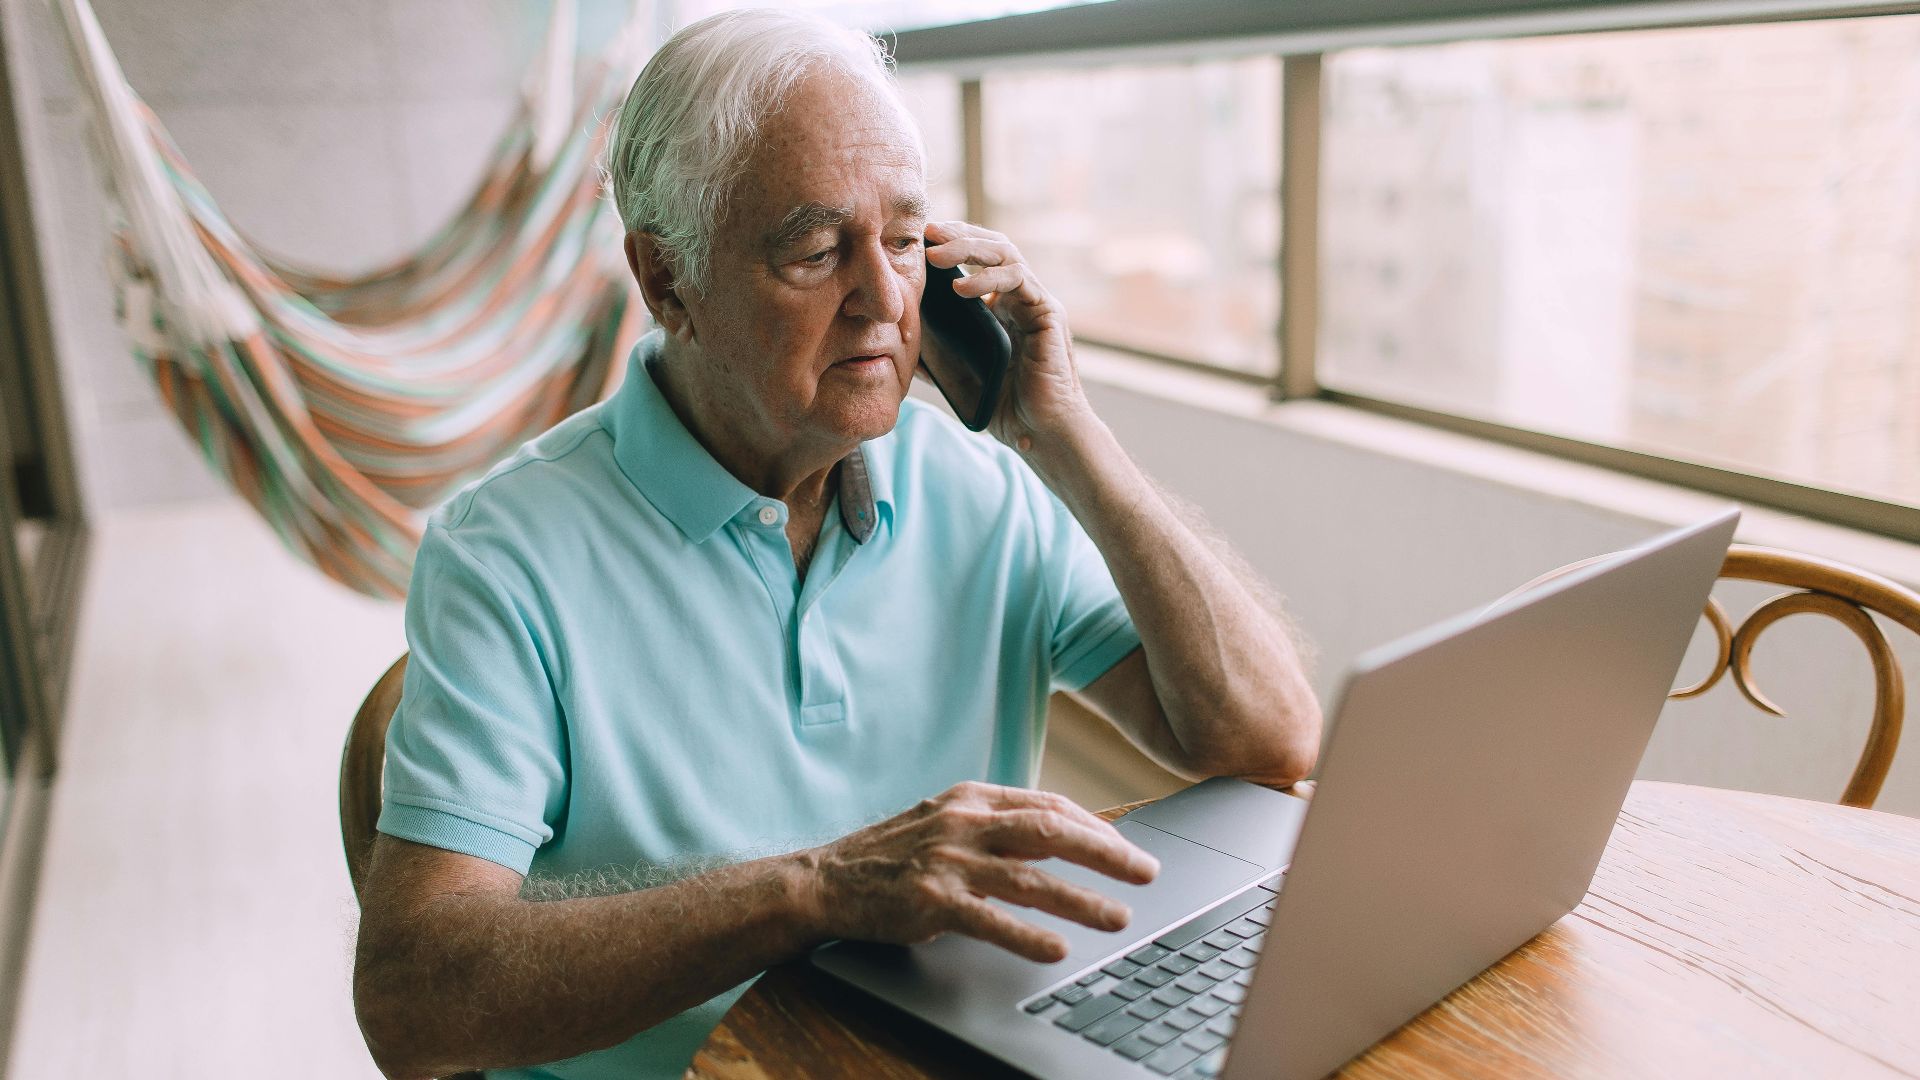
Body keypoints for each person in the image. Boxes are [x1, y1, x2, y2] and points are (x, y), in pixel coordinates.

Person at [351, 10, 1320, 1079]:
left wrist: (1069, 437)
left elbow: (1267, 740)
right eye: (816, 249)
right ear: (667, 280)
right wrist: (814, 890)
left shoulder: (985, 484)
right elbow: (415, 1002)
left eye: (904, 241)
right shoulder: (504, 557)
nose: (883, 298)